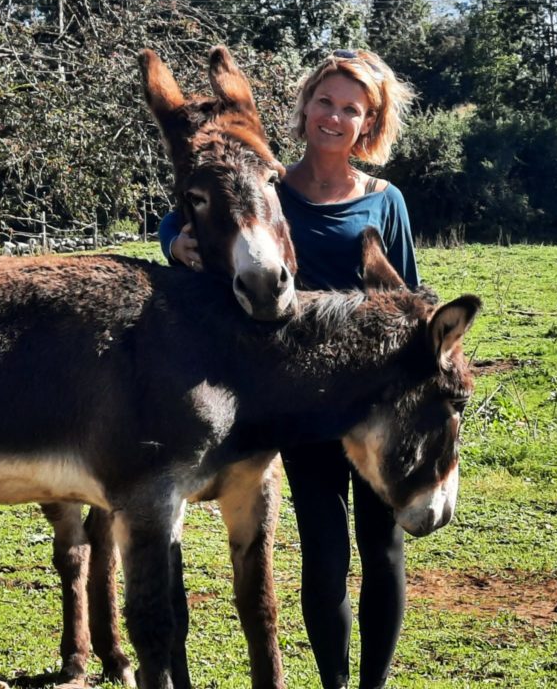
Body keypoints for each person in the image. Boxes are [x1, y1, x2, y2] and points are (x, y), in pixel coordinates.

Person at [158, 48, 418, 689]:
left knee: (382, 551)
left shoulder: (388, 202)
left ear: (369, 123)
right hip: (298, 402)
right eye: (324, 102)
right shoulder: (267, 188)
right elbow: (191, 211)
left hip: (374, 405)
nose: (334, 117)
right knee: (325, 557)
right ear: (303, 109)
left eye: (351, 109)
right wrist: (174, 240)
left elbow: (409, 301)